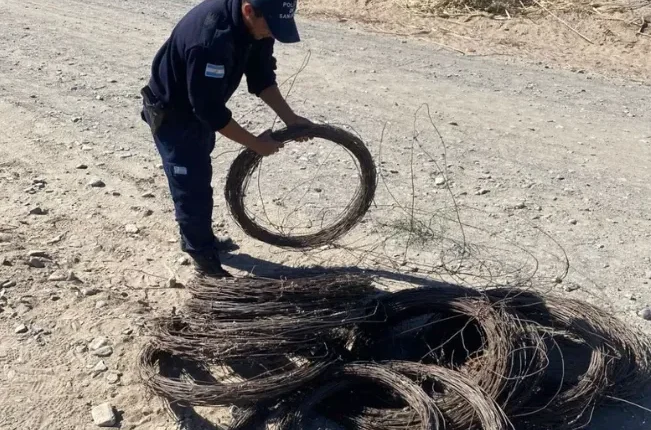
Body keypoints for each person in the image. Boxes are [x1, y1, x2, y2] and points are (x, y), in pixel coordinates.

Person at [140, 0, 312, 277]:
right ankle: (202, 256)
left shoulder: (257, 27)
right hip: (173, 115)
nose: (272, 33)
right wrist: (256, 145)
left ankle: (199, 237)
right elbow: (210, 111)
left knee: (199, 176)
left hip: (198, 109)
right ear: (248, 10)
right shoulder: (209, 40)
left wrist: (290, 119)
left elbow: (261, 77)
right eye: (271, 26)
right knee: (191, 187)